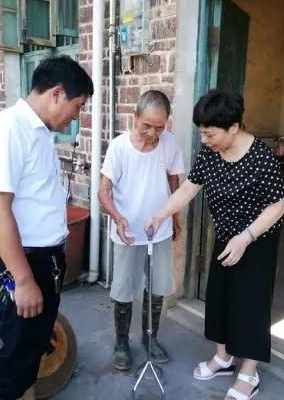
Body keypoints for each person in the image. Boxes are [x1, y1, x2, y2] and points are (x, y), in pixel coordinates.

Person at [145, 90, 284, 400]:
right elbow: (189, 188)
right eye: (201, 133)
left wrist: (246, 237)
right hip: (225, 237)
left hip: (257, 241)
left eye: (210, 134)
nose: (204, 139)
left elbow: (278, 206)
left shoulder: (261, 158)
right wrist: (160, 214)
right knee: (220, 299)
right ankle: (223, 358)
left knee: (251, 305)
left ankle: (249, 373)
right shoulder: (210, 153)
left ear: (233, 127)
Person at [0, 56, 93, 400]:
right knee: (17, 355)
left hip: (44, 261)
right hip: (21, 264)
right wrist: (23, 280)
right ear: (56, 93)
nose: (76, 116)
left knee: (32, 347)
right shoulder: (7, 130)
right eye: (77, 106)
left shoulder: (38, 132)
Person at [98, 90, 184, 371]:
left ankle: (150, 338)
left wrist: (176, 218)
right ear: (134, 117)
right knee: (123, 290)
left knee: (157, 288)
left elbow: (174, 183)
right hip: (128, 233)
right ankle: (122, 343)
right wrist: (117, 217)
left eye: (160, 127)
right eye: (147, 125)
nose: (153, 133)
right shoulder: (119, 148)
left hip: (160, 230)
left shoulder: (169, 144)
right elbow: (103, 191)